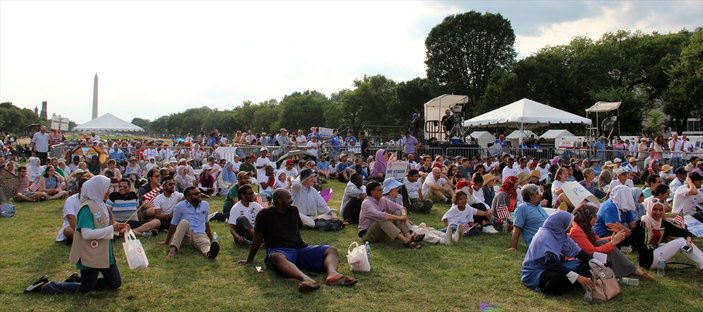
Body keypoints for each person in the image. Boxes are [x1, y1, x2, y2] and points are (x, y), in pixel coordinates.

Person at [24, 176, 130, 294]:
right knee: (86, 288)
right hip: (91, 252)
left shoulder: (102, 204)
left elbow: (106, 225)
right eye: (107, 188)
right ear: (98, 189)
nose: (109, 191)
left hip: (105, 251)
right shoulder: (87, 208)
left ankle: (78, 280)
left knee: (115, 283)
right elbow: (86, 234)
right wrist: (112, 229)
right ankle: (46, 286)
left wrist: (119, 228)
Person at [238, 189, 357, 293]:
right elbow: (257, 239)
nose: (291, 199)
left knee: (331, 249)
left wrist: (305, 246)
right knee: (275, 256)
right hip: (280, 251)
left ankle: (332, 274)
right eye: (288, 197)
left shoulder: (293, 210)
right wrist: (249, 260)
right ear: (279, 201)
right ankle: (306, 279)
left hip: (300, 248)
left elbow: (297, 230)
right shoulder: (264, 214)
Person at [569, 203, 652, 279]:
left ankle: (630, 269)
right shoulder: (576, 230)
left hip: (587, 256)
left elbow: (597, 240)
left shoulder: (584, 226)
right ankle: (632, 269)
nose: (596, 218)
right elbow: (592, 252)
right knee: (608, 245)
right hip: (579, 260)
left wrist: (613, 238)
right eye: (594, 216)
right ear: (586, 216)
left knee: (604, 243)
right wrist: (612, 242)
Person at [520, 211, 593, 296]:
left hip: (553, 266)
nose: (572, 226)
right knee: (557, 278)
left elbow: (578, 252)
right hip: (537, 270)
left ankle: (569, 284)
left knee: (586, 265)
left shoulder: (560, 233)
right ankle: (559, 286)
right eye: (570, 224)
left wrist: (594, 261)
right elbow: (551, 262)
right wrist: (575, 276)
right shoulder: (544, 236)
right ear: (562, 223)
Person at [632, 198, 703, 270]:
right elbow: (630, 239)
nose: (658, 212)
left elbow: (684, 232)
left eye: (660, 210)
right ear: (649, 209)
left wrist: (689, 240)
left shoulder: (662, 223)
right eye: (655, 209)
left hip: (656, 255)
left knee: (683, 242)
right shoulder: (642, 223)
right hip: (647, 260)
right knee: (681, 241)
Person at [358, 182, 423, 249]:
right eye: (380, 190)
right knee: (382, 219)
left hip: (381, 232)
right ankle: (406, 241)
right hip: (368, 235)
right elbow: (381, 215)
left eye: (382, 189)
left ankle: (409, 237)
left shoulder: (382, 200)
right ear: (372, 192)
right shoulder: (366, 203)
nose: (382, 191)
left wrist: (403, 215)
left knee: (397, 212)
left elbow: (400, 207)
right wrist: (400, 218)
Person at [165, 186, 220, 259]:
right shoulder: (180, 206)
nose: (199, 195)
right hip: (186, 235)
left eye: (199, 193)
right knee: (184, 222)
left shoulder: (205, 205)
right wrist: (166, 241)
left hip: (200, 234)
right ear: (188, 197)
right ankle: (172, 251)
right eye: (196, 194)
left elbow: (206, 223)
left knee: (205, 244)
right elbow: (173, 225)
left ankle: (209, 253)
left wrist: (211, 238)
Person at [507, 184, 549, 252]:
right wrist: (513, 247)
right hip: (539, 242)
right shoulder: (522, 208)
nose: (540, 195)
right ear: (531, 196)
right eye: (537, 193)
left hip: (549, 237)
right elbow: (516, 229)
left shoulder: (538, 206)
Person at [55, 179, 88, 245]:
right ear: (81, 188)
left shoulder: (95, 199)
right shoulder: (71, 200)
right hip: (74, 227)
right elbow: (71, 219)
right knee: (68, 231)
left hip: (90, 226)